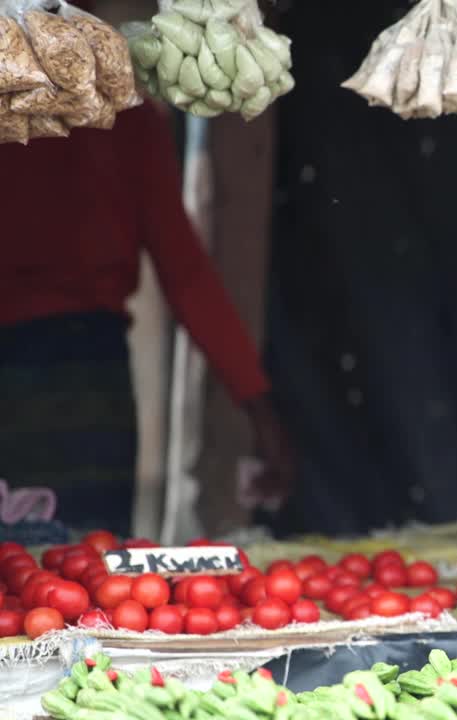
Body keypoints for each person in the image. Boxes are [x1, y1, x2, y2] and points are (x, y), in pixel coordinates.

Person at [0, 92, 294, 539]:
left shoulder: (124, 117)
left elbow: (187, 273)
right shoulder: (126, 116)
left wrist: (258, 404)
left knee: (51, 576)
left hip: (63, 371)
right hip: (94, 374)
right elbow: (187, 273)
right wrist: (258, 407)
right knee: (90, 571)